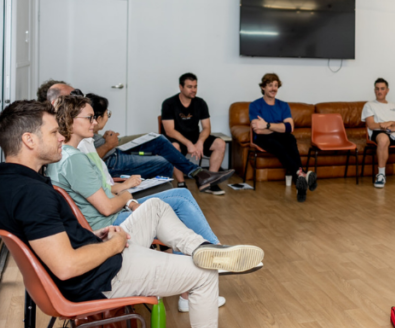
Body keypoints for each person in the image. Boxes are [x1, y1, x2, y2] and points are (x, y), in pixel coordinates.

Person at [0, 100, 264, 328]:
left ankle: (200, 247)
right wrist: (114, 245)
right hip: (102, 276)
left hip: (95, 259)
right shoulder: (33, 195)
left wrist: (96, 235)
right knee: (204, 274)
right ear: (29, 140)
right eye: (54, 132)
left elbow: (52, 242)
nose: (61, 137)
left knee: (155, 206)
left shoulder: (4, 187)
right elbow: (66, 265)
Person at [49, 95, 259, 311]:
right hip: (107, 225)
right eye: (90, 117)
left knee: (180, 200)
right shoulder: (74, 159)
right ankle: (211, 256)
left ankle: (207, 262)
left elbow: (99, 194)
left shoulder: (66, 155)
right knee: (178, 200)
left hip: (106, 218)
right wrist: (128, 197)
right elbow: (106, 206)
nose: (95, 122)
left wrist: (126, 198)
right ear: (71, 119)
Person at [87, 93, 231, 193]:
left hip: (113, 150)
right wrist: (108, 144)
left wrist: (106, 140)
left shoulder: (87, 127)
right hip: (111, 159)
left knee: (158, 140)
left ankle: (199, 174)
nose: (108, 117)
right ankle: (164, 196)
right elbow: (87, 159)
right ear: (98, 118)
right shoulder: (82, 133)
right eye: (108, 114)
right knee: (166, 162)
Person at [248, 73, 317, 203]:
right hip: (262, 138)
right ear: (263, 87)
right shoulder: (255, 105)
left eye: (275, 85)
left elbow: (290, 127)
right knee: (277, 144)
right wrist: (279, 126)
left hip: (279, 135)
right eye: (270, 85)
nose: (273, 88)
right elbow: (258, 129)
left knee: (290, 139)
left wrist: (267, 125)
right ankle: (302, 175)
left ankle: (299, 180)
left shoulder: (283, 105)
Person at [161, 73, 229, 191]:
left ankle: (209, 181)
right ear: (181, 87)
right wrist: (188, 143)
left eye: (195, 86)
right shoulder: (169, 103)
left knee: (220, 144)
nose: (193, 90)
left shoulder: (200, 103)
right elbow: (169, 131)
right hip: (177, 138)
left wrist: (200, 142)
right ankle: (181, 183)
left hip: (195, 137)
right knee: (174, 147)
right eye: (189, 87)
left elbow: (206, 127)